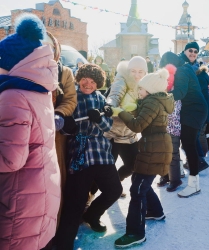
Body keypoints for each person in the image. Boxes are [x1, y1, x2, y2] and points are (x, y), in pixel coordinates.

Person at [0, 14, 60, 250]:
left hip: (20, 201)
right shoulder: (39, 90)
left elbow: (10, 158)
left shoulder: (13, 96)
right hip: (39, 192)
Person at [54, 64, 122, 250]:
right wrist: (69, 127)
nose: (88, 83)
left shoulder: (101, 98)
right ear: (79, 78)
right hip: (80, 155)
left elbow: (108, 128)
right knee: (74, 202)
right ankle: (63, 244)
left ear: (98, 84)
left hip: (101, 154)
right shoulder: (71, 97)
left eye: (93, 81)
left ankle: (92, 215)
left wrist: (99, 118)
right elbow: (62, 124)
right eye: (85, 79)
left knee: (114, 190)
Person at [113, 68, 174, 248]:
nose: (139, 92)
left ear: (150, 90)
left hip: (154, 149)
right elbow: (147, 117)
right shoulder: (156, 101)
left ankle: (135, 233)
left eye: (141, 89)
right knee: (141, 182)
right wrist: (135, 109)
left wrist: (121, 112)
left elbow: (138, 125)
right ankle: (156, 211)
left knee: (138, 188)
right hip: (157, 147)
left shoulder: (152, 103)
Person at [40, 31, 77, 250]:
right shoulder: (24, 68)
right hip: (30, 135)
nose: (47, 51)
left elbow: (71, 99)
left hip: (56, 138)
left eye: (50, 47)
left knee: (56, 184)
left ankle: (54, 231)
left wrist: (59, 114)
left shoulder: (65, 73)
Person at [160, 51, 208, 198]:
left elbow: (180, 93)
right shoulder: (185, 68)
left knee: (189, 145)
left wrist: (160, 96)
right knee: (189, 145)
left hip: (194, 111)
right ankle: (192, 180)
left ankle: (194, 185)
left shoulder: (181, 71)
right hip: (195, 109)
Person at [104, 56, 147, 196]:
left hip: (129, 134)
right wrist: (109, 106)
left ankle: (115, 184)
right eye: (133, 71)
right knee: (105, 168)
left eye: (140, 71)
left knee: (133, 165)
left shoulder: (145, 85)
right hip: (112, 133)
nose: (136, 75)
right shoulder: (122, 80)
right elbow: (115, 95)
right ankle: (88, 197)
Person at [179, 42, 209, 171]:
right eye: (190, 50)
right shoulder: (180, 65)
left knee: (191, 138)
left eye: (195, 51)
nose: (193, 53)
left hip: (193, 109)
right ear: (185, 51)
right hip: (183, 106)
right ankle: (197, 162)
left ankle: (197, 163)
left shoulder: (197, 69)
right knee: (188, 139)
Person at [157, 63, 184, 191]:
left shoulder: (174, 93)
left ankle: (175, 179)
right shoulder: (160, 92)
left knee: (173, 154)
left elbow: (173, 112)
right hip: (162, 129)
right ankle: (165, 176)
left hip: (173, 128)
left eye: (168, 80)